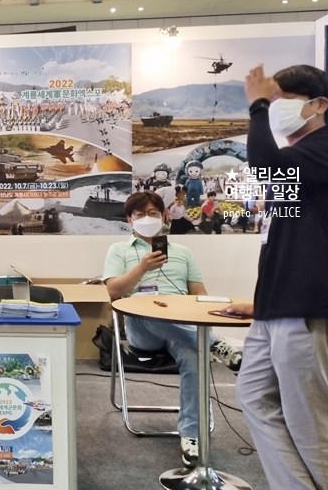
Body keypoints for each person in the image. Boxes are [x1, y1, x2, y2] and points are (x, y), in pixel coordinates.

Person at [228, 64, 328, 490]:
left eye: (283, 97)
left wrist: (257, 104)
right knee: (253, 397)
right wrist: (260, 299)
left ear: (318, 104)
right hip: (277, 304)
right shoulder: (299, 163)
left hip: (312, 302)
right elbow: (281, 240)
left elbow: (264, 166)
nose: (274, 106)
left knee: (310, 418)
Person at [103, 191, 243, 468]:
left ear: (164, 216)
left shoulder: (182, 252)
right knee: (142, 303)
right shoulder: (118, 250)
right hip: (144, 332)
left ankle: (191, 435)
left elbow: (199, 293)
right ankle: (216, 344)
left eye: (153, 213)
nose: (146, 218)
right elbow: (114, 292)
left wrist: (200, 311)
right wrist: (142, 267)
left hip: (181, 324)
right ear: (130, 219)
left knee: (194, 356)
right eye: (140, 214)